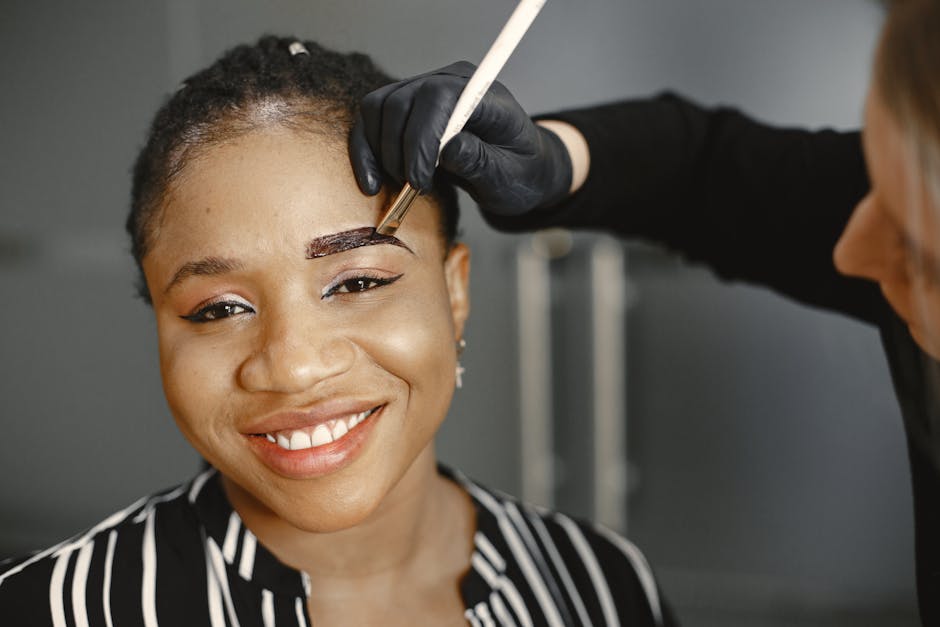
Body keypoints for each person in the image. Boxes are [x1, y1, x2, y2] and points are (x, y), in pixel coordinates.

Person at [0, 36, 669, 626]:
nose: (291, 365)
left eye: (357, 283)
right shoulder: (48, 609)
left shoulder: (603, 587)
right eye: (219, 308)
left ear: (455, 291)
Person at [347, 0, 940, 623]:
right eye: (871, 178)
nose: (849, 252)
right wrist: (554, 162)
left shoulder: (598, 591)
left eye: (918, 253)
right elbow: (701, 171)